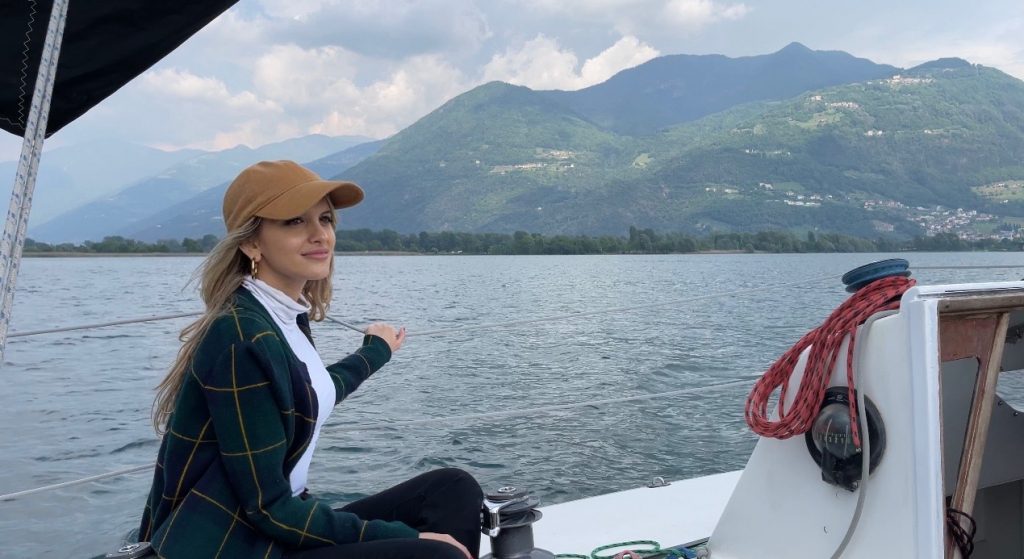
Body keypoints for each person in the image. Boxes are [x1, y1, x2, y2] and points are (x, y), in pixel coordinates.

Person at [137, 160, 483, 559]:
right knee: (437, 556)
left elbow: (309, 393)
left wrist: (376, 352)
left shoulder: (282, 315)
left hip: (271, 527)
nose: (320, 235)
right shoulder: (241, 337)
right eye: (294, 222)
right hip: (237, 544)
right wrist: (408, 538)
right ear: (252, 243)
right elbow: (269, 508)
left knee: (451, 489)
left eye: (325, 219)